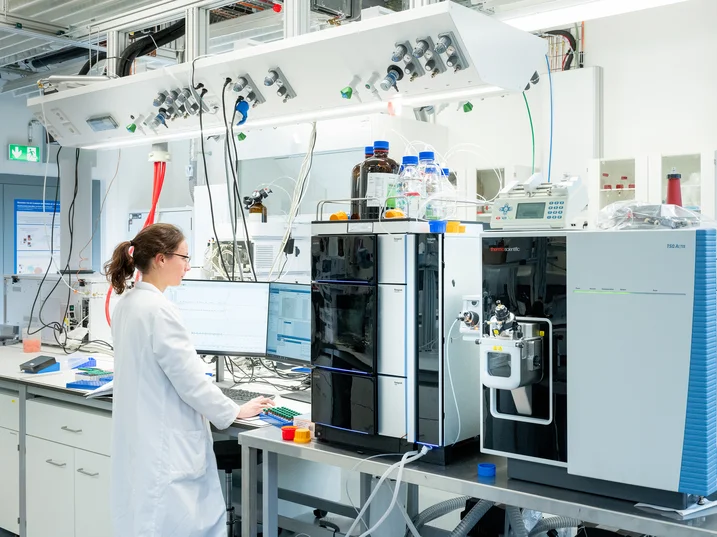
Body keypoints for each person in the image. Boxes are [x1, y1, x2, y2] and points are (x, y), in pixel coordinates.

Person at [104, 223, 274, 537]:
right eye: (184, 257)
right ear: (160, 259)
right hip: (164, 449)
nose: (188, 266)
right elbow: (191, 382)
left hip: (142, 441)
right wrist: (234, 410)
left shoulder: (128, 303)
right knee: (170, 522)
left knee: (143, 521)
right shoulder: (159, 310)